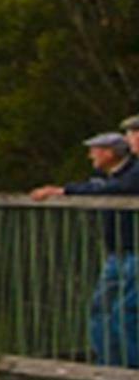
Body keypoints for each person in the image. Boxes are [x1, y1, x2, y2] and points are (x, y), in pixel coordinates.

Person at [30, 132, 139, 366]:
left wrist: (64, 191)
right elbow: (95, 188)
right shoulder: (104, 177)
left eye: (95, 150)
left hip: (134, 251)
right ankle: (110, 365)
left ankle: (130, 371)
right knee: (101, 309)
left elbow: (119, 189)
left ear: (109, 152)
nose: (90, 155)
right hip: (117, 252)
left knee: (125, 312)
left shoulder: (132, 174)